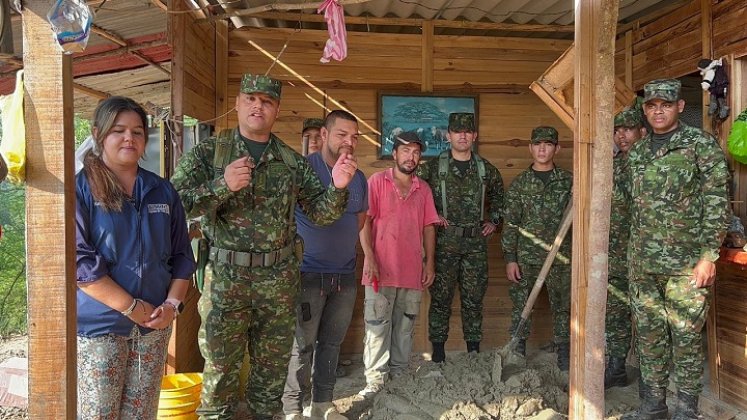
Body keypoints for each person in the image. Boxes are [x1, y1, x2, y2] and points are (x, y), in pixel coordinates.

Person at [171, 74, 358, 420]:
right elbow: (174, 205)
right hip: (226, 282)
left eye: (267, 101)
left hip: (278, 285)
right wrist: (221, 185)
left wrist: (338, 187)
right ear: (239, 103)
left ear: (276, 110)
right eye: (251, 99)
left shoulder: (291, 162)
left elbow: (321, 213)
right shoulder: (210, 153)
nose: (259, 106)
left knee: (270, 379)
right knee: (220, 375)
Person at [75, 96, 195, 419]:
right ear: (98, 134)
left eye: (138, 131)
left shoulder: (162, 191)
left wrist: (172, 306)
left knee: (141, 414)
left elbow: (183, 255)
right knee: (99, 414)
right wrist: (130, 307)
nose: (129, 138)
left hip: (153, 327)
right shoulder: (82, 190)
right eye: (119, 130)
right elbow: (80, 263)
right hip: (102, 328)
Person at [623, 79, 730, 420]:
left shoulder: (700, 145)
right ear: (644, 110)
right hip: (643, 264)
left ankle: (686, 411)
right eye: (652, 105)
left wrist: (708, 256)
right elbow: (629, 206)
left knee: (685, 337)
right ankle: (653, 407)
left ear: (680, 107)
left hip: (686, 265)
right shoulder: (637, 152)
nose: (658, 110)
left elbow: (717, 202)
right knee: (650, 336)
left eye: (666, 104)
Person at [282, 110, 367, 420]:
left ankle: (322, 405)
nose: (349, 141)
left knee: (332, 343)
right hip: (308, 273)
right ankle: (292, 409)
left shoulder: (359, 177)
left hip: (344, 273)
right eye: (342, 134)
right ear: (325, 135)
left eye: (354, 136)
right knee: (301, 346)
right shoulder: (304, 171)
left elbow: (360, 218)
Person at [358, 131, 440, 398]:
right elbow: (365, 222)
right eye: (405, 151)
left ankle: (400, 374)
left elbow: (429, 227)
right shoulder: (377, 182)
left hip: (411, 271)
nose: (411, 156)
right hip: (379, 270)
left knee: (405, 327)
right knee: (377, 327)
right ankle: (375, 382)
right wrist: (369, 257)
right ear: (394, 154)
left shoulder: (423, 189)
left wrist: (429, 264)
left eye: (416, 152)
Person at [417, 112, 504, 361]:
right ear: (449, 135)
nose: (463, 135)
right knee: (440, 300)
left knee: (473, 300)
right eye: (457, 131)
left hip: (475, 244)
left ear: (474, 135)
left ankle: (473, 354)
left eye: (467, 131)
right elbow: (416, 197)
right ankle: (438, 355)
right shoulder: (432, 168)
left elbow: (499, 196)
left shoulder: (485, 169)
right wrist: (432, 216)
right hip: (443, 244)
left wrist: (494, 222)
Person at [501, 126, 573, 370]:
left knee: (563, 306)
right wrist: (510, 258)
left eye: (548, 144)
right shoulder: (520, 184)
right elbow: (510, 223)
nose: (543, 149)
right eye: (538, 144)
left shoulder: (569, 182)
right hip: (527, 258)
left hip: (561, 258)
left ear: (557, 148)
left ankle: (565, 354)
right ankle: (517, 351)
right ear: (530, 148)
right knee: (522, 305)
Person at [605, 108, 646, 389]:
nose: (622, 135)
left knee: (647, 317)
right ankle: (617, 368)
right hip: (616, 254)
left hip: (646, 257)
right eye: (617, 130)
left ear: (642, 132)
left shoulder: (653, 164)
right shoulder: (611, 166)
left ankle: (649, 379)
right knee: (616, 314)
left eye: (628, 129)